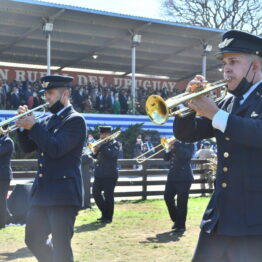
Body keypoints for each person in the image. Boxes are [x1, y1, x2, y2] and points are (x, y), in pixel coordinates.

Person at [174, 30, 262, 261]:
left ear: (255, 66)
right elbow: (188, 135)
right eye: (224, 63)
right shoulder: (226, 101)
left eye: (233, 62)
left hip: (255, 219)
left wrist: (215, 114)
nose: (226, 69)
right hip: (220, 215)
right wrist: (188, 106)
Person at [16, 75, 86, 262]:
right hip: (43, 194)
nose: (46, 97)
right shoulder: (47, 120)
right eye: (45, 93)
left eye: (50, 93)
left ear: (65, 94)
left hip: (63, 195)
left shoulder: (75, 120)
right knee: (32, 239)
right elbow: (27, 148)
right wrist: (23, 127)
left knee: (62, 247)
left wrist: (34, 126)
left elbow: (55, 148)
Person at [163, 139, 194, 233]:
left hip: (184, 177)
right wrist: (167, 149)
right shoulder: (175, 145)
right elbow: (166, 158)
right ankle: (176, 220)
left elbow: (184, 156)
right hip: (172, 177)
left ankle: (181, 226)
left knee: (182, 202)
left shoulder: (189, 144)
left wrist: (176, 145)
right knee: (167, 197)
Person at [91, 126, 120, 223]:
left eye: (104, 134)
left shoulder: (115, 144)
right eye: (101, 134)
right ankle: (105, 212)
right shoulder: (100, 144)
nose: (102, 135)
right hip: (99, 173)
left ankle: (108, 217)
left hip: (110, 174)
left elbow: (111, 155)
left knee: (108, 196)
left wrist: (101, 146)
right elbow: (94, 156)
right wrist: (95, 150)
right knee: (95, 193)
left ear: (109, 134)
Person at [0, 128, 14, 229]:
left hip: (3, 175)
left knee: (1, 199)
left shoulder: (7, 141)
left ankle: (2, 223)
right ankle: (8, 216)